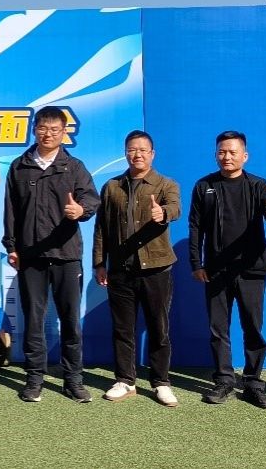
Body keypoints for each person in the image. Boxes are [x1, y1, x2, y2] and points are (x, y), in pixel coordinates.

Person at [2, 105, 98, 404]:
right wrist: (12, 246)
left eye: (55, 129)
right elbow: (11, 211)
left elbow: (91, 199)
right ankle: (34, 379)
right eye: (43, 128)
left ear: (64, 132)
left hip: (67, 255)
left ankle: (73, 380)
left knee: (70, 320)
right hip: (31, 255)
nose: (48, 134)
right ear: (35, 129)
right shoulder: (20, 167)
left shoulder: (74, 167)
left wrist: (81, 210)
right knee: (33, 320)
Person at [187, 130, 266, 409]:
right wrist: (196, 263)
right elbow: (195, 227)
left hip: (252, 269)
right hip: (215, 271)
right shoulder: (204, 186)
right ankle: (224, 381)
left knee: (253, 328)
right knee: (218, 329)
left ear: (245, 156)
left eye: (232, 152)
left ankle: (253, 383)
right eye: (221, 152)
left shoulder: (258, 185)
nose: (226, 157)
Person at [93, 129, 181, 407]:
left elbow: (175, 208)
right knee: (122, 329)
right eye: (132, 149)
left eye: (143, 150)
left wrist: (162, 213)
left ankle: (161, 382)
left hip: (156, 269)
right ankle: (125, 380)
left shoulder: (166, 184)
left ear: (152, 154)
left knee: (159, 328)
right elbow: (101, 228)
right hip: (120, 269)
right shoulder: (112, 187)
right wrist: (99, 262)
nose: (137, 154)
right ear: (125, 153)